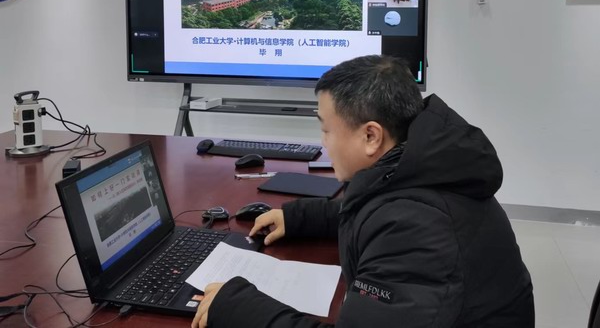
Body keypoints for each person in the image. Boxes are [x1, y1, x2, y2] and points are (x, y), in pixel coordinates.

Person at [192, 55, 535, 328]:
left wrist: (236, 307)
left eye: (327, 130)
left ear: (371, 136)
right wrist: (298, 217)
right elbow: (373, 206)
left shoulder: (417, 229)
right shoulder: (419, 164)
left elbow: (397, 221)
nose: (323, 142)